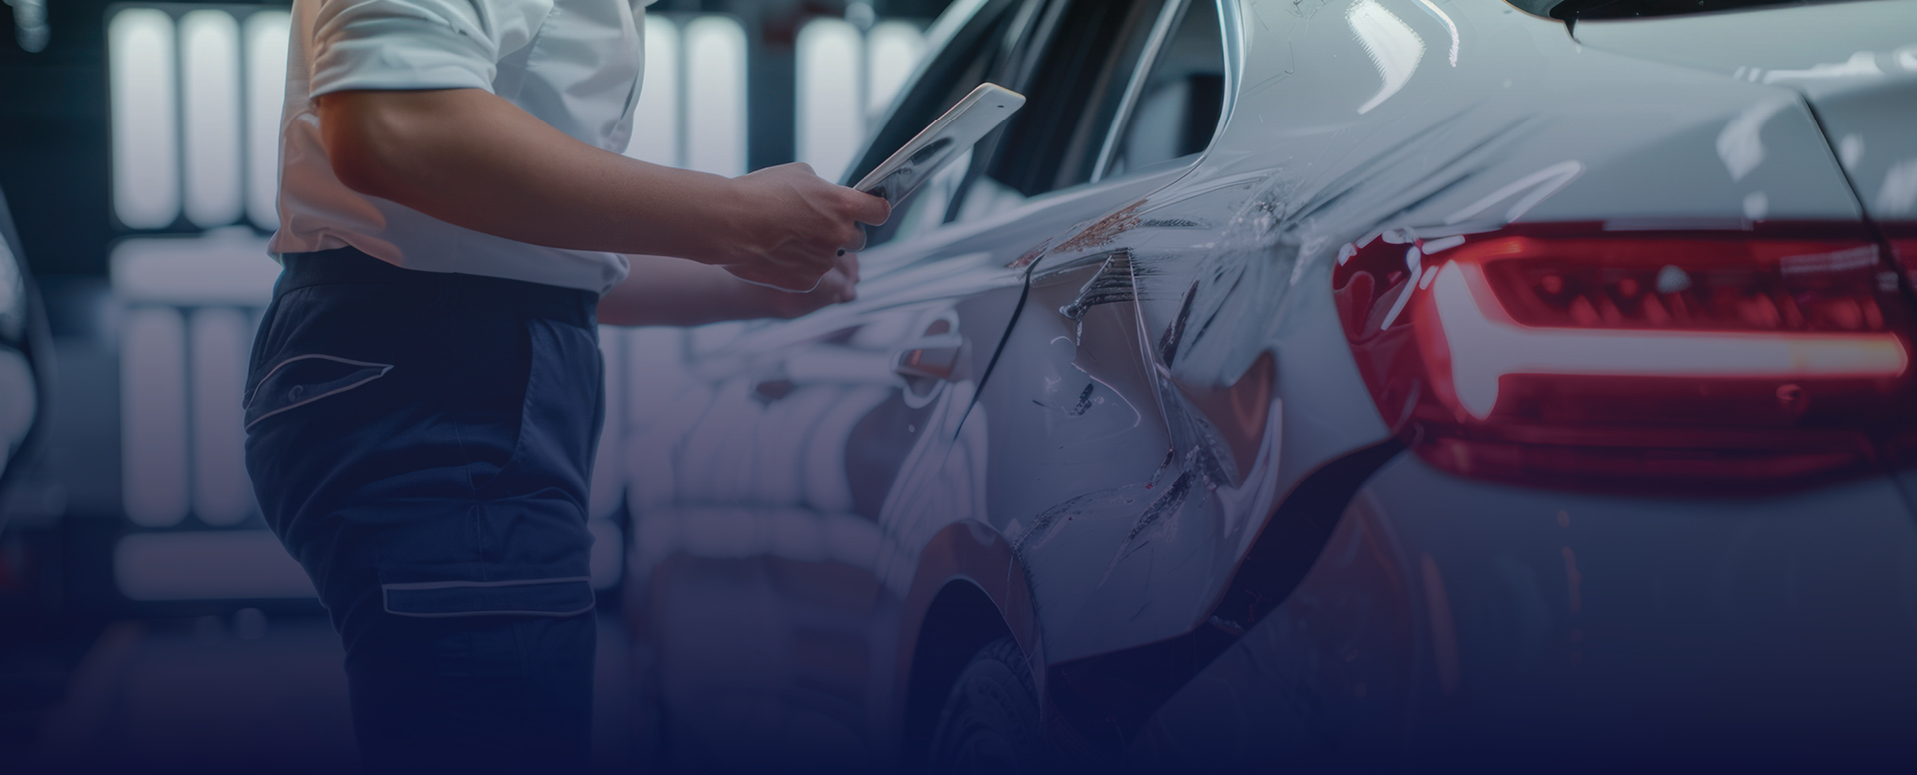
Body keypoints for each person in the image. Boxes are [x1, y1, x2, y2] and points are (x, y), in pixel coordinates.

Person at [241, 0, 890, 772]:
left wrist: (758, 287)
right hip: (437, 376)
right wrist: (733, 215)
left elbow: (528, 253)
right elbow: (391, 123)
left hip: (433, 357)